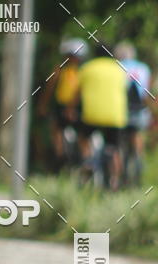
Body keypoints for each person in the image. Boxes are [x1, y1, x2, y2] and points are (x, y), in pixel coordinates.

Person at [76, 40, 128, 189]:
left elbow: (77, 93)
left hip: (91, 115)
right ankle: (115, 181)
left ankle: (87, 162)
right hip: (115, 116)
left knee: (83, 138)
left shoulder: (87, 68)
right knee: (115, 148)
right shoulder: (120, 69)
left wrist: (71, 108)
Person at [38, 38, 87, 170]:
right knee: (58, 130)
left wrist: (43, 105)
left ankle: (78, 159)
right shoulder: (76, 71)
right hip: (68, 107)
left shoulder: (65, 70)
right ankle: (65, 157)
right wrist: (44, 105)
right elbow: (50, 88)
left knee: (62, 131)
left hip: (72, 107)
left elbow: (49, 88)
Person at [114, 42, 151, 181]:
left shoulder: (116, 67)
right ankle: (139, 160)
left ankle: (118, 175)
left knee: (118, 142)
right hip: (139, 110)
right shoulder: (144, 68)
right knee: (137, 135)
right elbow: (146, 93)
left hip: (120, 111)